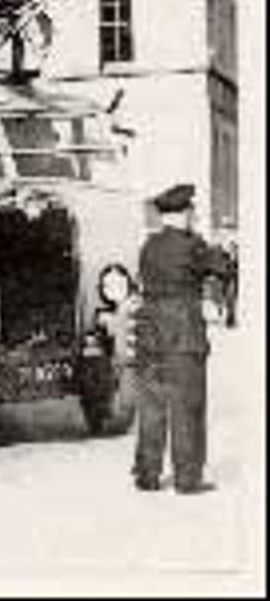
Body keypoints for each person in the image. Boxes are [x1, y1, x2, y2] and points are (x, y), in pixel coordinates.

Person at [132, 183, 233, 494]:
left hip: (150, 334)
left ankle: (147, 475)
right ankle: (187, 479)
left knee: (151, 406)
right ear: (185, 213)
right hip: (183, 335)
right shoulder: (192, 246)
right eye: (193, 211)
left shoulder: (148, 247)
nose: (195, 215)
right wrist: (217, 247)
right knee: (187, 406)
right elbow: (225, 268)